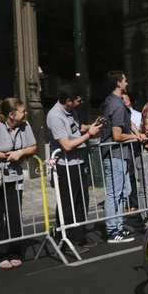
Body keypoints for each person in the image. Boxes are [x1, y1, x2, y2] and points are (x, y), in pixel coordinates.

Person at [0, 98, 37, 269]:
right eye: (22, 111)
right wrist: (8, 156)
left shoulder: (24, 125)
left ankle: (14, 252)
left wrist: (21, 152)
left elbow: (33, 147)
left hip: (13, 177)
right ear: (12, 114)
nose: (25, 113)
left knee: (14, 215)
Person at [47, 85, 103, 254]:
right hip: (65, 166)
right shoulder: (55, 116)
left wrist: (90, 127)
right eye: (78, 100)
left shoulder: (72, 112)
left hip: (78, 163)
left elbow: (75, 129)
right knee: (67, 204)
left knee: (80, 201)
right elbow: (66, 144)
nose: (81, 102)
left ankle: (79, 237)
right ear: (68, 101)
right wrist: (89, 135)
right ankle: (66, 241)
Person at [100, 71, 146, 243]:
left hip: (120, 155)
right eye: (125, 80)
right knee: (114, 193)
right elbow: (117, 135)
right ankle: (112, 231)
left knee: (122, 192)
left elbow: (130, 122)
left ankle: (117, 227)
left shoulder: (117, 102)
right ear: (118, 83)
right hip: (115, 154)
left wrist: (138, 132)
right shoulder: (116, 105)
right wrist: (136, 137)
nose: (127, 83)